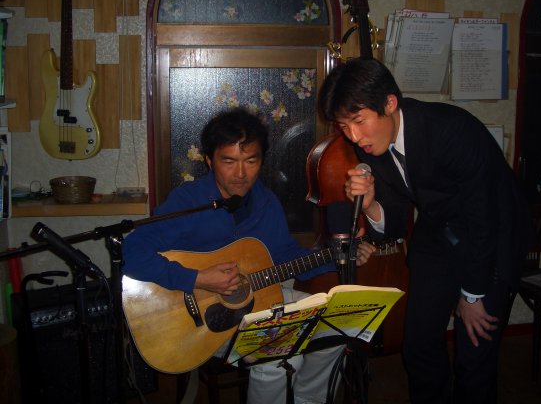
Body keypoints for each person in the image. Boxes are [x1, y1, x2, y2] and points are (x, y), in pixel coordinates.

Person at [122, 107, 375, 404]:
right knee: (277, 356)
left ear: (261, 161)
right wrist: (197, 278)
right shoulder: (188, 201)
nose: (241, 174)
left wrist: (338, 257)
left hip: (261, 299)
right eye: (228, 161)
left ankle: (308, 400)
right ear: (210, 161)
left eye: (250, 161)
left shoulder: (266, 202)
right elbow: (131, 252)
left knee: (344, 321)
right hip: (200, 323)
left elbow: (286, 257)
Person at [318, 58, 533, 404]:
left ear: (389, 103)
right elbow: (392, 224)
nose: (353, 136)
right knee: (418, 346)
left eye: (358, 121)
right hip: (439, 230)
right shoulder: (370, 145)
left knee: (473, 355)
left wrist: (472, 296)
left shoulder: (451, 130)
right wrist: (371, 205)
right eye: (344, 126)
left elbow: (484, 218)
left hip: (494, 233)